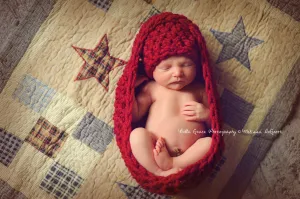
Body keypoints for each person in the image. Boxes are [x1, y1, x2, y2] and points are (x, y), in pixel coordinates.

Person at [129, 12, 213, 177]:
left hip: (189, 155)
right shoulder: (152, 88)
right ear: (151, 71)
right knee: (137, 135)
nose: (177, 73)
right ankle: (157, 171)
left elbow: (214, 125)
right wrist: (130, 91)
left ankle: (174, 163)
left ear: (196, 65)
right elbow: (134, 115)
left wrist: (206, 114)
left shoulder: (199, 89)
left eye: (186, 64)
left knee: (209, 143)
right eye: (166, 68)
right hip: (155, 148)